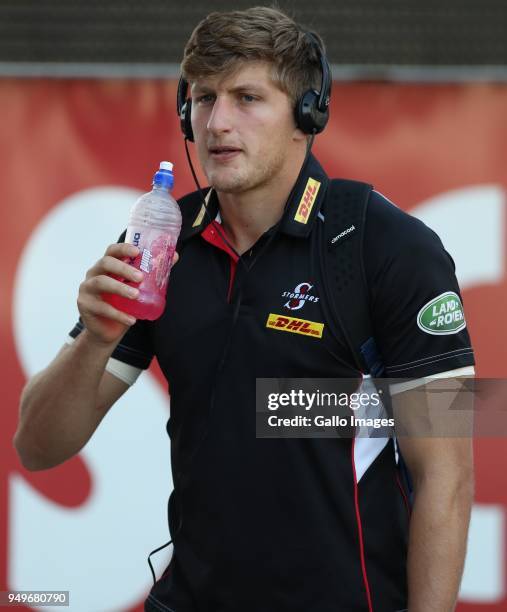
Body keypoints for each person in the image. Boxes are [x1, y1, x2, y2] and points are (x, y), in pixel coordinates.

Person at [15, 6, 475, 612]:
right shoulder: (161, 242)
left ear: (307, 115)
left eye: (247, 98)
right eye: (204, 98)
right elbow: (37, 447)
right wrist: (95, 341)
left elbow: (449, 474)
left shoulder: (388, 244)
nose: (217, 123)